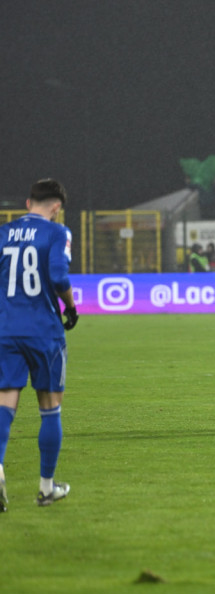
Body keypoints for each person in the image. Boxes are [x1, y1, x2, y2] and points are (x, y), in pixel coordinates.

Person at [0, 179, 78, 510]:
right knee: (50, 407)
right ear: (57, 207)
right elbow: (59, 277)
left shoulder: (4, 232)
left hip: (5, 329)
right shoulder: (58, 233)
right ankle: (46, 488)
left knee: (4, 404)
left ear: (28, 202)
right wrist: (70, 307)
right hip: (44, 331)